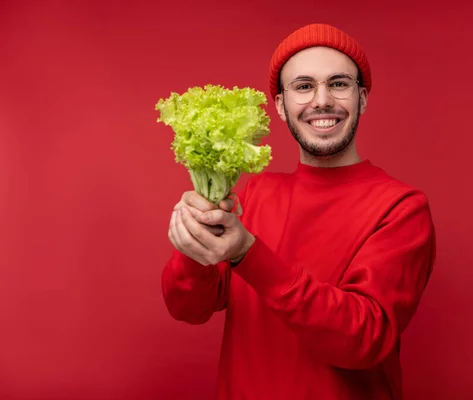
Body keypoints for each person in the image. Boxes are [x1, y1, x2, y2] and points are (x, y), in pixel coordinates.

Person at [162, 23, 436, 400]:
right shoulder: (257, 192)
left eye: (338, 83)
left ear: (363, 98)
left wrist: (248, 254)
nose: (321, 100)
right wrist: (192, 245)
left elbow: (364, 339)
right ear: (279, 105)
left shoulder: (401, 207)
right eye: (304, 86)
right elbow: (188, 307)